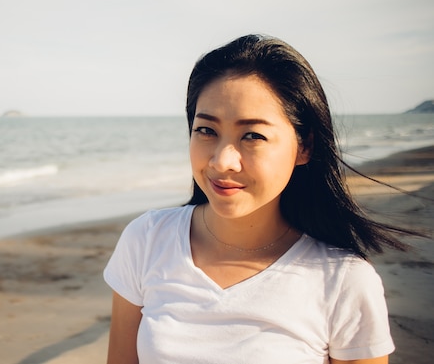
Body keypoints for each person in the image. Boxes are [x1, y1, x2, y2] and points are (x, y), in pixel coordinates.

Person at [103, 34, 419, 364]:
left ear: (305, 146)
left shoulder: (342, 281)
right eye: (206, 130)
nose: (222, 161)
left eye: (253, 135)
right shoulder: (148, 239)